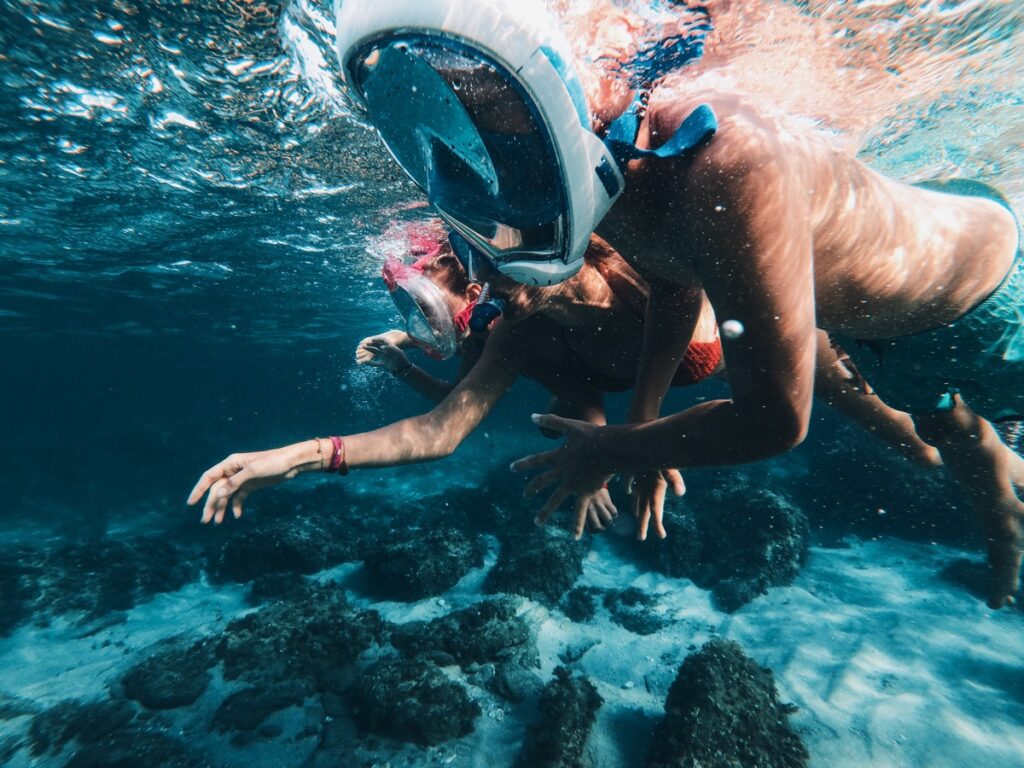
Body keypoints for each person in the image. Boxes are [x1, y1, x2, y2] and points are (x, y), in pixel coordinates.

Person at [330, 0, 1023, 607]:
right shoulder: (604, 175)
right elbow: (676, 279)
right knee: (955, 440)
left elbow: (777, 421)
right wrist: (642, 425)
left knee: (957, 440)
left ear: (558, 71)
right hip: (885, 329)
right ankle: (1000, 510)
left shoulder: (725, 157)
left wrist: (617, 447)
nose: (485, 155)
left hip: (989, 296)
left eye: (486, 102)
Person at [188, 219, 938, 539]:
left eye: (470, 275)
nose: (493, 292)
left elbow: (679, 295)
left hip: (712, 337)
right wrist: (296, 457)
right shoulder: (515, 330)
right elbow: (441, 428)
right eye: (474, 293)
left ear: (463, 254)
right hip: (617, 379)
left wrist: (637, 438)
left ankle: (955, 450)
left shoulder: (598, 241)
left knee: (861, 399)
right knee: (565, 400)